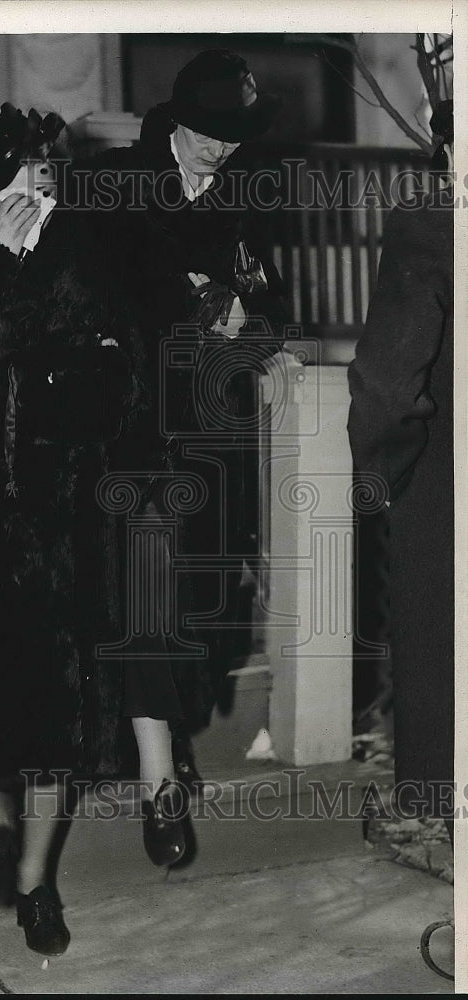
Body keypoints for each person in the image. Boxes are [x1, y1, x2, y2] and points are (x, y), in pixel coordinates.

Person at [0, 100, 214, 957]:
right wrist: (2, 271)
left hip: (71, 510)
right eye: (26, 169)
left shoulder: (83, 244)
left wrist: (96, 376)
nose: (42, 183)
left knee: (51, 719)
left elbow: (122, 365)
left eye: (47, 168)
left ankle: (37, 882)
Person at [78, 49, 289, 781]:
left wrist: (243, 317)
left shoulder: (249, 196)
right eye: (210, 132)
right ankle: (157, 772)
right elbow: (86, 303)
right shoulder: (115, 186)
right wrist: (185, 299)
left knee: (201, 600)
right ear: (177, 120)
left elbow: (274, 312)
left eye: (235, 135)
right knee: (147, 594)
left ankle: (167, 735)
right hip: (134, 432)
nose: (223, 148)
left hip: (212, 435)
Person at [347, 100, 454, 975]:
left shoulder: (432, 221)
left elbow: (390, 377)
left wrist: (379, 474)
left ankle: (433, 815)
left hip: (448, 477)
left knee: (432, 634)